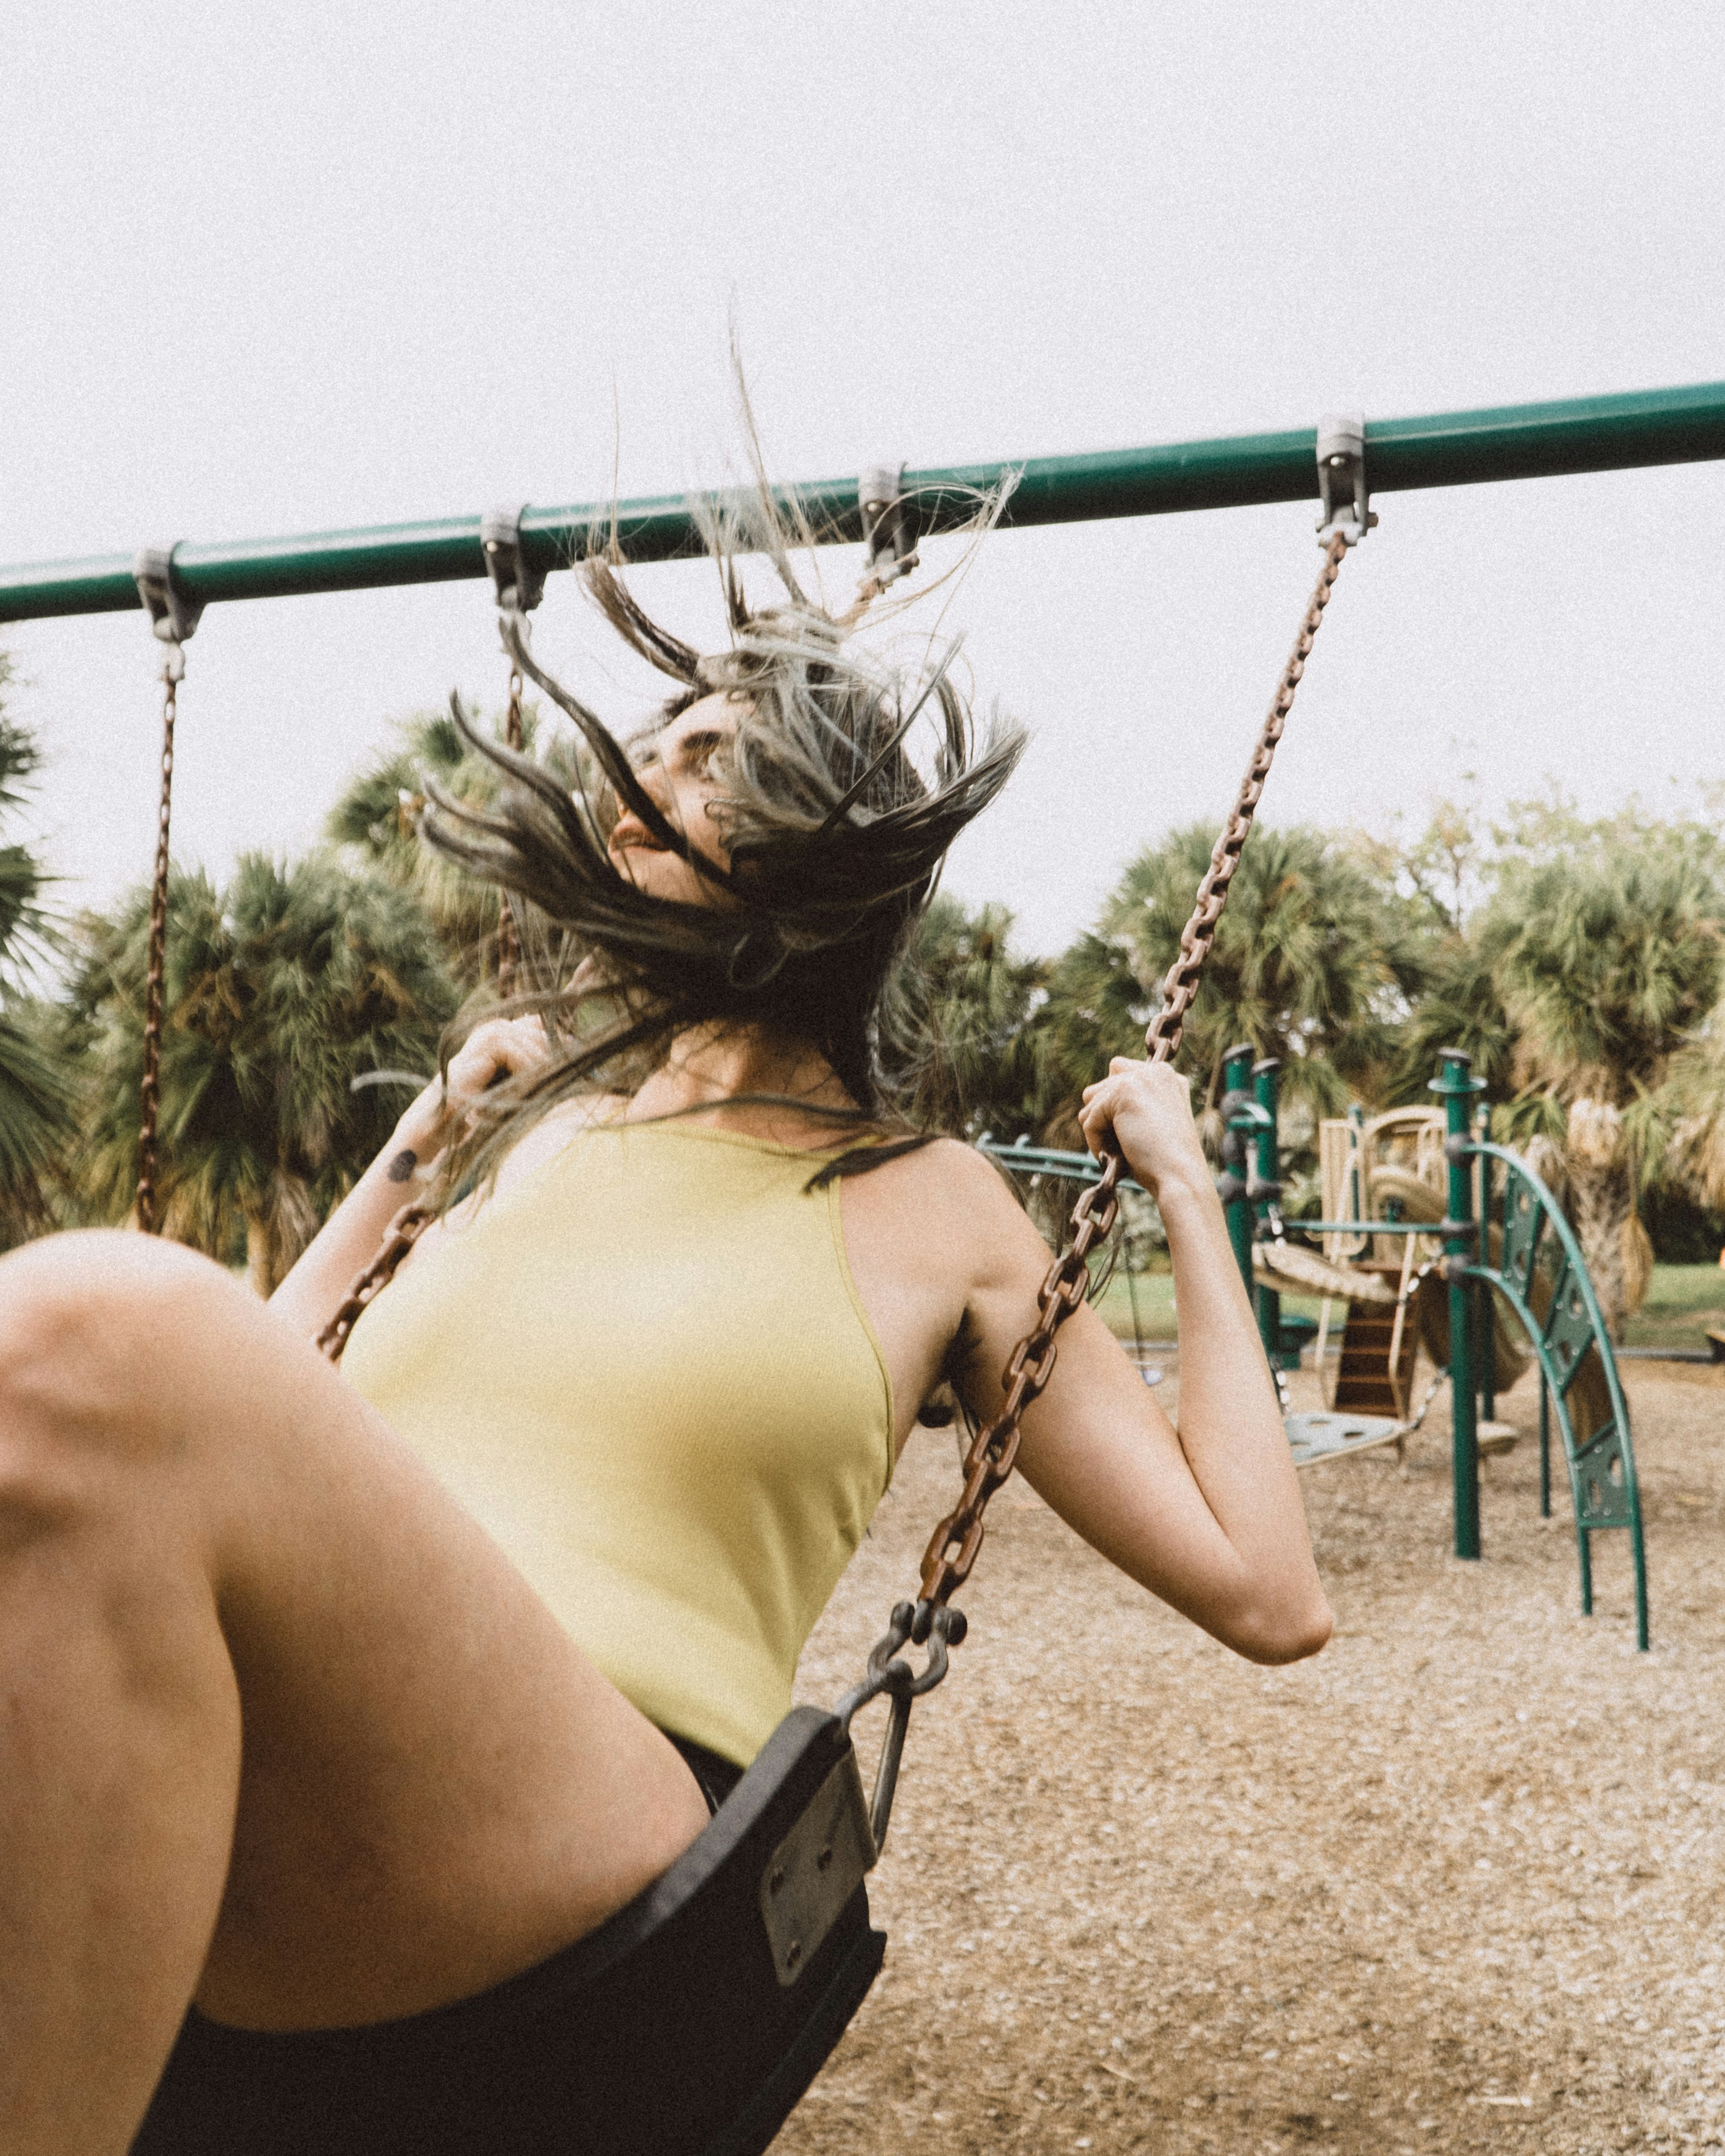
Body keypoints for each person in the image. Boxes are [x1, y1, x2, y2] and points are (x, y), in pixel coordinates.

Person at [0, 478, 1331, 2156]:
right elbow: (156, 1434)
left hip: (606, 1854)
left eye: (710, 753)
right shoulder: (545, 1147)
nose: (643, 777)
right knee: (75, 1385)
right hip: (280, 1785)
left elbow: (1268, 1590)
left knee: (93, 1323)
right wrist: (425, 1146)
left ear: (820, 835)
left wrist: (1185, 1191)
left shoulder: (926, 1203)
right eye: (656, 736)